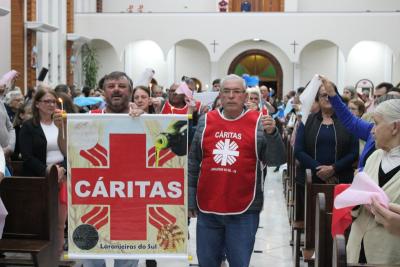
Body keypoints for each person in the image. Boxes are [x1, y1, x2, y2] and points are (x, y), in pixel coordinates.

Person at [188, 74, 285, 267]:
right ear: (220, 95)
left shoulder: (259, 122)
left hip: (244, 210)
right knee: (207, 262)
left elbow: (276, 160)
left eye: (237, 91)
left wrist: (272, 134)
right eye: (226, 91)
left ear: (245, 96)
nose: (231, 96)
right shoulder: (205, 121)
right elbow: (193, 162)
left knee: (239, 263)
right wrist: (190, 198)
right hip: (208, 207)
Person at [77, 71, 139, 267]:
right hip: (95, 197)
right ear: (103, 92)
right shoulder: (89, 118)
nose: (116, 89)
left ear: (130, 90)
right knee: (91, 257)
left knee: (128, 259)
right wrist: (64, 128)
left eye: (121, 85)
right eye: (111, 86)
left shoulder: (143, 120)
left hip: (131, 197)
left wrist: (146, 120)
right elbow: (70, 153)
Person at [346, 99, 400, 264]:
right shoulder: (374, 157)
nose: (372, 131)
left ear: (395, 127)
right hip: (357, 248)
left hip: (388, 255)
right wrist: (355, 198)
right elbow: (357, 206)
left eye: (376, 124)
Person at [19, 88, 67, 256]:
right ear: (37, 104)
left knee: (61, 220)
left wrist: (63, 169)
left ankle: (59, 252)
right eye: (47, 101)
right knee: (43, 220)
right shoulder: (28, 126)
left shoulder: (62, 123)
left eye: (53, 101)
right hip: (40, 176)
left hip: (62, 173)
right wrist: (47, 169)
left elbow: (69, 150)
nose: (51, 105)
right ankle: (44, 254)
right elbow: (26, 156)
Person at [295, 83, 358, 184]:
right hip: (310, 178)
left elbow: (354, 152)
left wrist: (333, 169)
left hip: (341, 178)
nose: (328, 98)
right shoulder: (307, 120)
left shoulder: (348, 120)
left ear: (336, 97)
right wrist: (321, 171)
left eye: (330, 94)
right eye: (324, 95)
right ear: (317, 99)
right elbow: (298, 151)